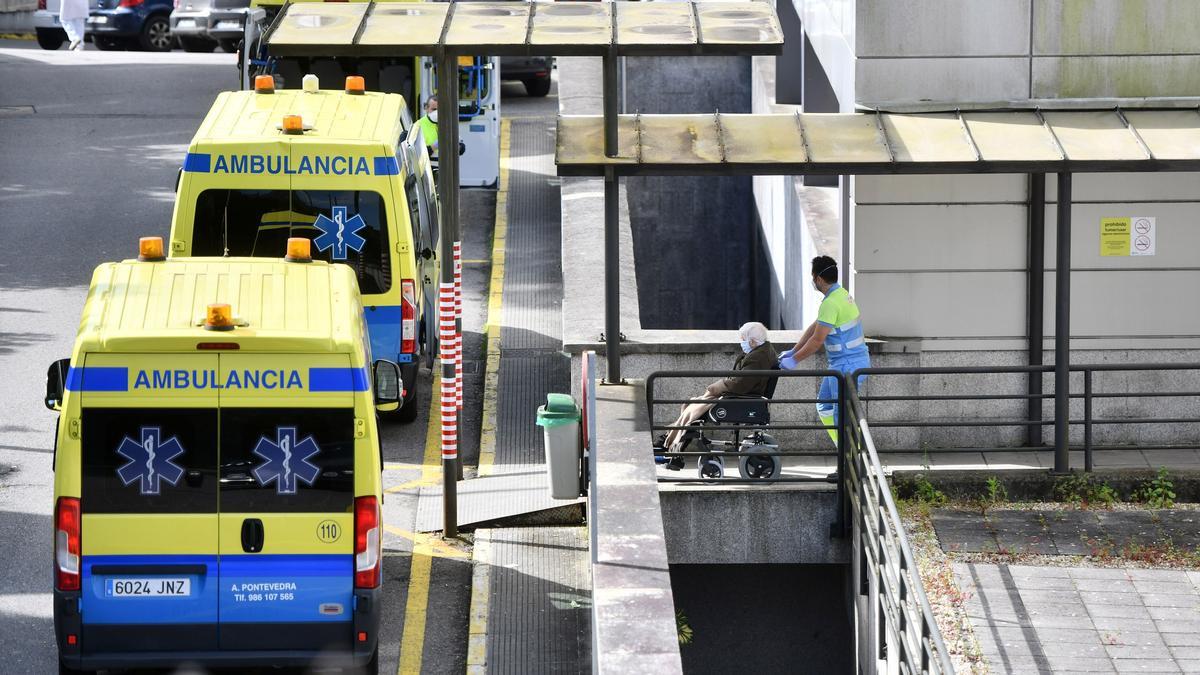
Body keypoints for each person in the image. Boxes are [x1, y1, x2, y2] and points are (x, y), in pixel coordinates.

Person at [658, 322, 778, 465]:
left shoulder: (757, 357)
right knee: (694, 406)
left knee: (695, 410)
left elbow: (740, 384)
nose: (741, 343)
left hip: (740, 397)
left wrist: (716, 387)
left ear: (752, 341)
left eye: (742, 339)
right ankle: (668, 440)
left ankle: (669, 444)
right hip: (743, 395)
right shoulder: (763, 351)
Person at [779, 256, 869, 445]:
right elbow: (816, 327)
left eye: (813, 278)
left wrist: (794, 360)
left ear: (819, 279)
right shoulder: (841, 295)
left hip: (847, 366)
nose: (813, 282)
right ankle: (842, 450)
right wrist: (793, 350)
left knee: (841, 416)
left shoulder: (831, 303)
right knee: (825, 407)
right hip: (843, 363)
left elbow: (817, 340)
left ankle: (850, 463)